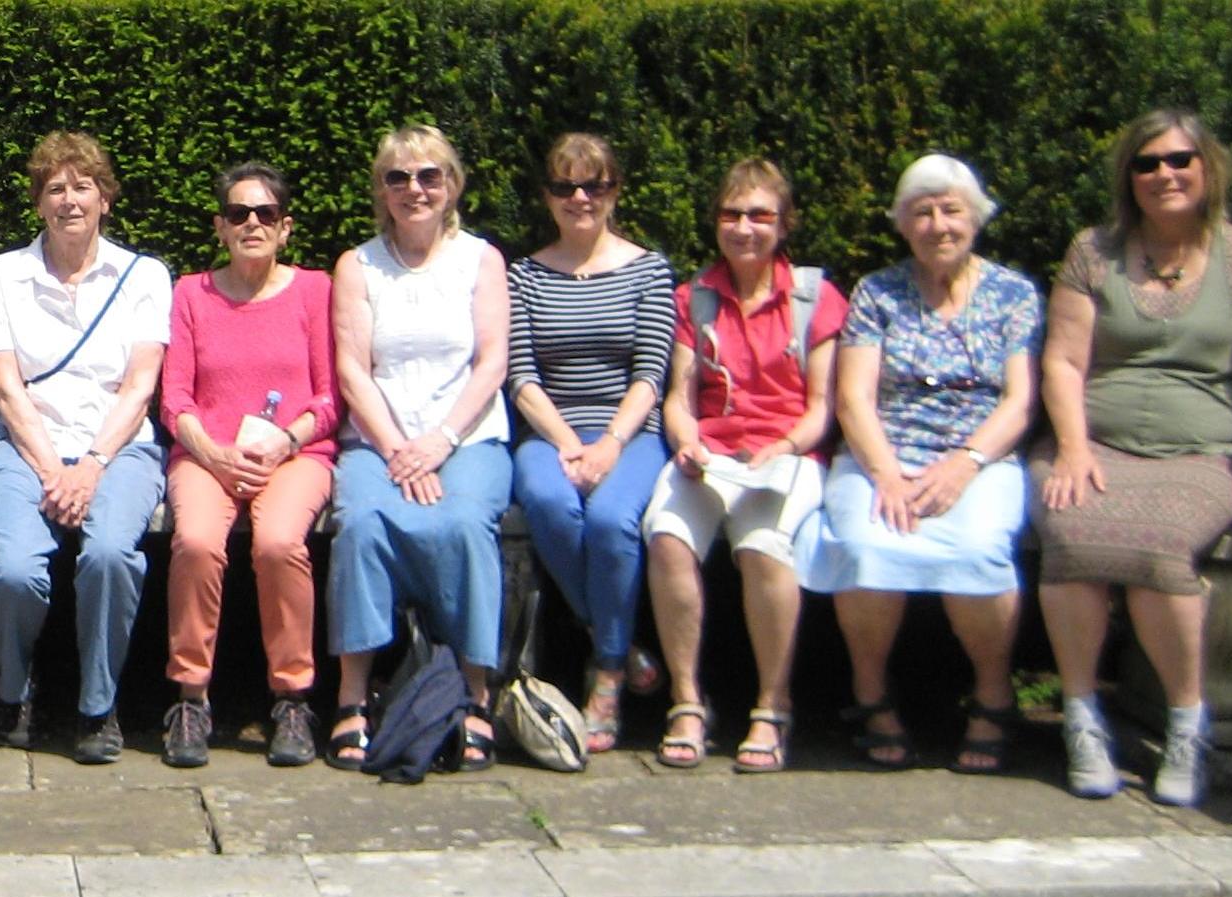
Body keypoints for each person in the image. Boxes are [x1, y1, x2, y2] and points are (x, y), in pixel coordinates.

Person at [1036, 109, 1232, 807]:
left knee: (1160, 548)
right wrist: (1069, 446)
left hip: (1200, 452)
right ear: (1128, 176)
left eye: (1180, 159)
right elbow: (1064, 362)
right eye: (1147, 162)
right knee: (1071, 534)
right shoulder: (1092, 251)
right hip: (1091, 445)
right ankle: (1081, 718)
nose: (1165, 173)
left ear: (1207, 167)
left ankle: (1189, 723)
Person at [794, 153, 1040, 775]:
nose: (938, 225)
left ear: (977, 218)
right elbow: (853, 397)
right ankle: (871, 695)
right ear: (903, 226)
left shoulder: (1014, 294)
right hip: (884, 456)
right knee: (866, 544)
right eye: (922, 213)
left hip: (979, 460)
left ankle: (992, 693)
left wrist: (965, 463)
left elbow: (1020, 400)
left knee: (979, 549)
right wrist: (886, 474)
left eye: (951, 210)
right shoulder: (878, 293)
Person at [645, 158, 848, 774]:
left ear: (784, 225)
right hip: (712, 455)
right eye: (732, 214)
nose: (744, 227)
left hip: (784, 456)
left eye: (760, 215)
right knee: (667, 536)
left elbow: (822, 409)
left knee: (763, 547)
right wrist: (686, 441)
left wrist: (784, 448)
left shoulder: (815, 298)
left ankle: (772, 703)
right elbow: (679, 396)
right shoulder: (696, 297)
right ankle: (686, 700)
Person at [0, 131, 172, 765]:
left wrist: (89, 466)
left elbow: (140, 386)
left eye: (82, 187)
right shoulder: (2, 275)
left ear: (106, 199)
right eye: (55, 188)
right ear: (38, 204)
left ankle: (98, 704)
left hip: (117, 451)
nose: (69, 200)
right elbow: (5, 388)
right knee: (12, 571)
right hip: (25, 447)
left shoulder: (145, 277)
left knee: (111, 555)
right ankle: (15, 688)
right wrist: (50, 468)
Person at [324, 124, 513, 772]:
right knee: (361, 524)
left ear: (452, 184)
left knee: (464, 523)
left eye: (429, 174)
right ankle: (352, 697)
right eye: (398, 177)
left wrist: (441, 440)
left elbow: (492, 362)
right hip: (380, 438)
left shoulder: (481, 260)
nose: (414, 188)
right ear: (381, 189)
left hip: (466, 434)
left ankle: (477, 693)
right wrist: (400, 446)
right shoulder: (358, 265)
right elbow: (353, 369)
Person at [503, 133, 678, 759]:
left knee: (610, 521)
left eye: (594, 184)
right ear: (547, 197)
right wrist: (569, 443)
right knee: (551, 506)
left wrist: (608, 444)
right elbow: (520, 377)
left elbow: (651, 374)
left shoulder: (649, 269)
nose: (580, 197)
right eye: (565, 186)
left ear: (614, 192)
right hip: (549, 433)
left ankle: (604, 675)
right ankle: (619, 645)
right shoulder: (523, 276)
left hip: (629, 432)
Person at [156, 162, 336, 769]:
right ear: (220, 227)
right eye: (238, 214)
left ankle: (291, 698)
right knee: (198, 542)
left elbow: (329, 398)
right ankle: (190, 698)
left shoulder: (315, 291)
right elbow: (174, 399)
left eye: (265, 214)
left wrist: (284, 444)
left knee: (279, 543)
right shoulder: (190, 294)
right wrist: (213, 453)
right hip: (208, 457)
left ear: (285, 228)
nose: (252, 223)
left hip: (293, 454)